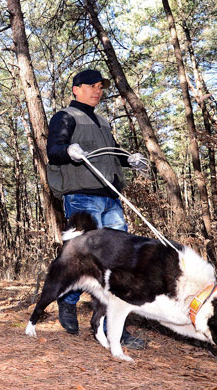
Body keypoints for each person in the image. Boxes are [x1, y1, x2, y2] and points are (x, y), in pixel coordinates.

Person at [46, 69, 149, 348]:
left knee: (120, 262)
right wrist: (68, 150)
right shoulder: (65, 117)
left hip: (110, 198)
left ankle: (114, 326)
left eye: (100, 86)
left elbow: (112, 153)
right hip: (81, 197)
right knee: (82, 259)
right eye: (91, 86)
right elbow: (53, 149)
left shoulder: (103, 121)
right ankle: (68, 301)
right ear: (76, 89)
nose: (97, 90)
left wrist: (130, 160)